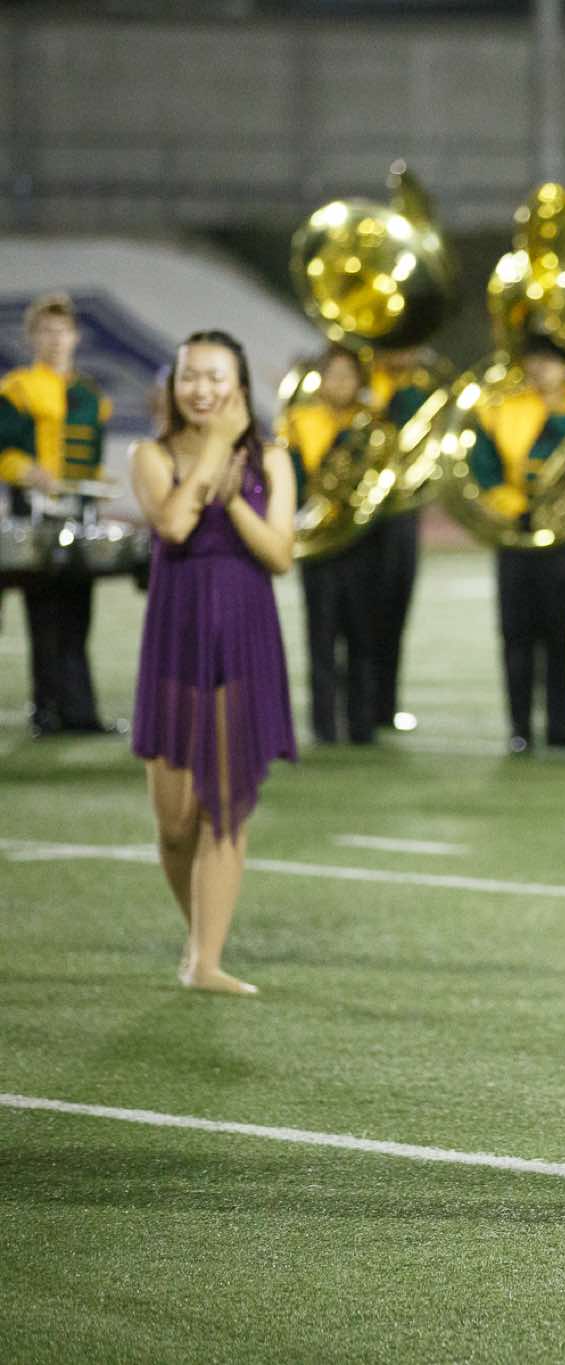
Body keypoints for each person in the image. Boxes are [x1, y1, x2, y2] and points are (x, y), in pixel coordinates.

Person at [128, 331, 297, 996]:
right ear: (173, 386)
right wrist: (217, 451)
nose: (201, 389)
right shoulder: (150, 454)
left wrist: (231, 501)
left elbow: (279, 554)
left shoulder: (274, 458)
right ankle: (198, 940)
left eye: (215, 376)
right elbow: (173, 524)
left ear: (241, 386)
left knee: (225, 807)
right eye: (189, 376)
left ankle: (206, 961)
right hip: (176, 638)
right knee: (175, 824)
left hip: (244, 638)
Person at [0, 292, 116, 736]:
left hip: (79, 514)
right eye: (45, 331)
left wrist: (100, 484)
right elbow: (3, 451)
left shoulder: (90, 395)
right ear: (32, 338)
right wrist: (27, 472)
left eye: (61, 331)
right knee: (44, 609)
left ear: (75, 337)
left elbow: (91, 458)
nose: (54, 339)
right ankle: (46, 709)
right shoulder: (17, 389)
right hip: (35, 515)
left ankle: (81, 712)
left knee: (78, 611)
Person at [472, 334, 565, 752]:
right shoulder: (502, 407)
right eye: (535, 360)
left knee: (560, 634)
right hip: (515, 535)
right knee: (515, 634)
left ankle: (561, 727)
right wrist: (514, 506)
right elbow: (485, 467)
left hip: (562, 538)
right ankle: (519, 727)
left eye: (550, 361)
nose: (541, 369)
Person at [282, 345, 381, 745]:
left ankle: (362, 725)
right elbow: (290, 476)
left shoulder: (372, 424)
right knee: (320, 636)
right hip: (318, 541)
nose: (341, 383)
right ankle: (324, 726)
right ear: (320, 379)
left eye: (348, 376)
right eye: (333, 375)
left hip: (362, 540)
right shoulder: (298, 420)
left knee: (363, 635)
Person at [364, 344, 446, 732]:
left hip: (401, 509)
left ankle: (385, 704)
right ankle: (359, 706)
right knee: (360, 615)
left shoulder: (419, 388)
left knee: (395, 606)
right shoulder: (363, 378)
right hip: (357, 512)